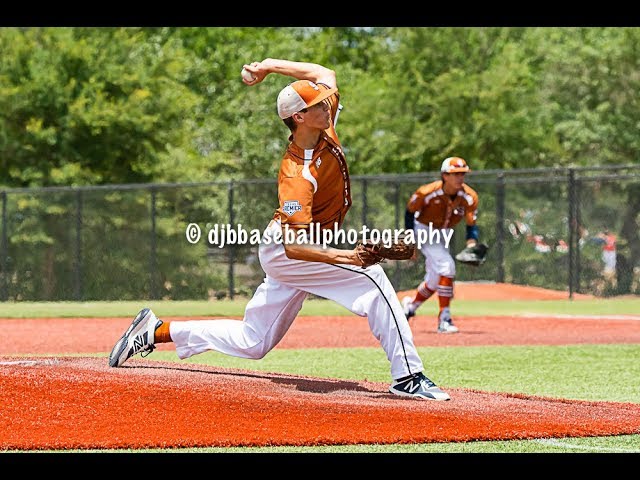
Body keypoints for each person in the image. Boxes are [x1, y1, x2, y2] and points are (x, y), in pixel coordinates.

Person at [108, 59, 450, 401]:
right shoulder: (297, 174)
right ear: (299, 117)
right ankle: (408, 375)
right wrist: (350, 256)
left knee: (253, 341)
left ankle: (155, 331)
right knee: (373, 279)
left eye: (325, 99)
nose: (328, 102)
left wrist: (269, 66)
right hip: (288, 249)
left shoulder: (324, 125)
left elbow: (324, 75)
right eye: (318, 104)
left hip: (306, 247)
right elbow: (294, 246)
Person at [402, 157, 480, 334]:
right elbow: (410, 212)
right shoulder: (427, 192)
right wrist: (410, 239)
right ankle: (444, 319)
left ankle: (409, 307)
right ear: (444, 175)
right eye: (456, 174)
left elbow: (471, 224)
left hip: (443, 232)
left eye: (463, 174)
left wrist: (471, 244)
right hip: (423, 228)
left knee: (435, 280)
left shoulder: (469, 197)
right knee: (447, 267)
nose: (460, 178)